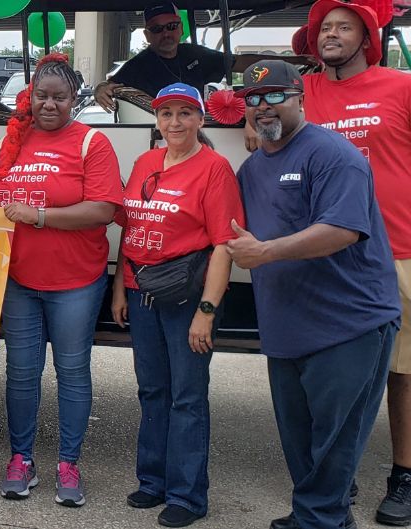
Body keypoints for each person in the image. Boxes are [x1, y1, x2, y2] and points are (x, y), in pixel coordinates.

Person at [300, 2, 411, 524]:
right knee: (331, 374)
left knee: (402, 370)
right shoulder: (303, 93)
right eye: (324, 28)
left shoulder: (407, 89)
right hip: (327, 253)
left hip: (400, 251)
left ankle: (403, 478)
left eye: (344, 27)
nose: (331, 34)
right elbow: (247, 112)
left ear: (367, 38)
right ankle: (336, 475)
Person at [230, 60, 400, 529]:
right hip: (287, 325)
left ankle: (318, 520)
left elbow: (342, 230)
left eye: (274, 97)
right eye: (253, 100)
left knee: (334, 442)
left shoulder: (333, 154)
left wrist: (264, 252)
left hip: (348, 323)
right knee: (300, 440)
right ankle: (321, 515)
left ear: (300, 98)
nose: (264, 109)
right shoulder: (251, 169)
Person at [0, 53, 122, 508]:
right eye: (41, 96)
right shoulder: (10, 145)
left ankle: (69, 462)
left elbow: (103, 208)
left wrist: (40, 216)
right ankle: (20, 459)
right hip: (20, 280)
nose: (49, 104)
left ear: (73, 98)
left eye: (59, 97)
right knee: (21, 375)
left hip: (76, 281)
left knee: (72, 372)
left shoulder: (91, 143)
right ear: (30, 97)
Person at [110, 83, 243, 527]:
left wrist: (207, 311)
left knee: (186, 397)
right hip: (141, 293)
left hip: (188, 299)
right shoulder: (145, 163)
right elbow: (130, 232)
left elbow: (224, 246)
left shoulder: (215, 168)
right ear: (156, 119)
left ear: (201, 120)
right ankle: (153, 482)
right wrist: (119, 290)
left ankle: (187, 495)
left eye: (185, 113)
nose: (174, 123)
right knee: (152, 391)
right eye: (166, 113)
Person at [94, 3, 226, 112]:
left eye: (172, 26)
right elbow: (108, 85)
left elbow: (237, 63)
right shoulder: (137, 66)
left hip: (198, 129)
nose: (166, 33)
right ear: (147, 35)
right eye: (157, 29)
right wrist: (100, 89)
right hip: (155, 133)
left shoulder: (195, 53)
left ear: (181, 28)